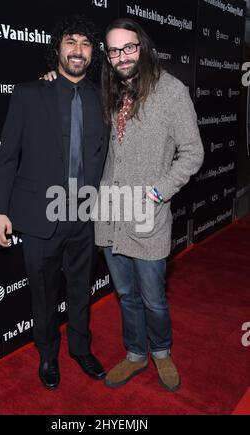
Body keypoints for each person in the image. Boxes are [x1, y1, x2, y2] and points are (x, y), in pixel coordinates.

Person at [0, 15, 108, 390]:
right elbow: (8, 155)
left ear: (93, 54)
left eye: (86, 44)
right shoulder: (28, 93)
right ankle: (47, 356)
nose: (78, 51)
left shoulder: (102, 98)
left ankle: (80, 349)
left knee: (78, 290)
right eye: (70, 42)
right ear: (57, 48)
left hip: (84, 214)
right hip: (39, 215)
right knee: (42, 294)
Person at [94, 18, 204, 392]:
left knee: (153, 298)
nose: (122, 56)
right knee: (125, 295)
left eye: (129, 47)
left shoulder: (172, 91)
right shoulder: (110, 91)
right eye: (114, 50)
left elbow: (192, 153)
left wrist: (157, 193)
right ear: (107, 57)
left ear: (142, 46)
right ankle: (135, 355)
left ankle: (161, 352)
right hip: (111, 217)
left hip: (148, 218)